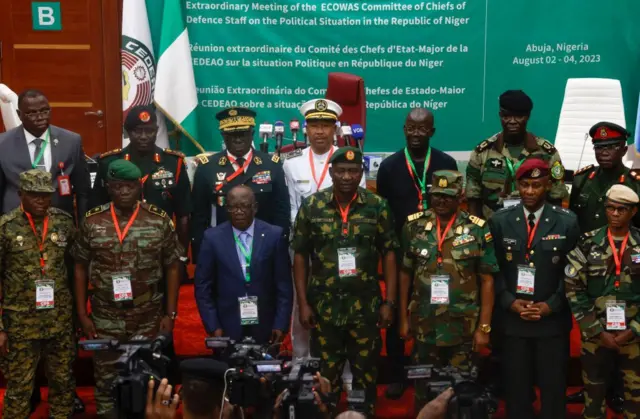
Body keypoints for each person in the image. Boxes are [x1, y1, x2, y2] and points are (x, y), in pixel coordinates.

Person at [0, 88, 89, 413]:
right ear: (20, 114)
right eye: (32, 113)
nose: (39, 118)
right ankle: (28, 392)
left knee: (63, 287)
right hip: (18, 235)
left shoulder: (70, 140)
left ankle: (62, 395)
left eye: (44, 111)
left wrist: (82, 226)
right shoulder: (2, 143)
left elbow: (82, 189)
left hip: (58, 234)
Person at [71, 159, 183, 419]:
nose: (123, 192)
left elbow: (173, 267)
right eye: (117, 186)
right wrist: (82, 314)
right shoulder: (92, 221)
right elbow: (79, 267)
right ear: (108, 187)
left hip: (147, 314)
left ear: (139, 187)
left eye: (129, 187)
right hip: (105, 315)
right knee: (106, 383)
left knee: (148, 380)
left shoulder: (158, 220)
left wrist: (171, 313)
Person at [291, 146, 398, 416]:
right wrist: (302, 303)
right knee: (326, 378)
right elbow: (300, 255)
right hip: (324, 309)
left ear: (361, 173)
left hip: (365, 308)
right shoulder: (312, 206)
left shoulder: (377, 206)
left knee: (365, 375)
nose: (347, 176)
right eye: (341, 171)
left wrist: (389, 301)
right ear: (331, 172)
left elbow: (389, 254)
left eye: (353, 171)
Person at [283, 98, 366, 388]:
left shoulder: (350, 162)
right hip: (305, 250)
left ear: (336, 129)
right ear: (305, 129)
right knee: (301, 307)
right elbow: (292, 208)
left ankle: (345, 372)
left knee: (344, 308)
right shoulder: (291, 165)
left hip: (341, 249)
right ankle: (302, 366)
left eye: (326, 125)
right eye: (314, 125)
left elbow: (360, 206)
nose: (320, 131)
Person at [489, 158, 580, 419]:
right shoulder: (500, 221)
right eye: (525, 185)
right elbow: (492, 269)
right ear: (517, 185)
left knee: (553, 393)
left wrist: (552, 304)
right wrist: (508, 301)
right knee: (517, 393)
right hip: (513, 322)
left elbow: (574, 272)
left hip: (551, 322)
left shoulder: (566, 222)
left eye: (537, 185)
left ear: (548, 185)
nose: (530, 192)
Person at [376, 107, 457, 399]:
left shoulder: (446, 163)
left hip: (438, 249)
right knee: (397, 307)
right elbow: (384, 211)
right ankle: (398, 372)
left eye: (422, 129)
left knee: (435, 306)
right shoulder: (390, 166)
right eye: (411, 128)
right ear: (404, 129)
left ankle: (439, 369)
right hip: (401, 252)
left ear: (432, 132)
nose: (416, 134)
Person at [398, 170, 496, 412]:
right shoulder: (414, 225)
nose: (441, 201)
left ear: (460, 196)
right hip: (424, 324)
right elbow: (404, 274)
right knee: (424, 390)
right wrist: (402, 318)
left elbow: (487, 281)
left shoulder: (478, 229)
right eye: (437, 195)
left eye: (448, 196)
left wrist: (484, 328)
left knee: (461, 393)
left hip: (462, 327)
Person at [566, 121, 635, 410]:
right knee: (592, 335)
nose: (604, 152)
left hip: (626, 270)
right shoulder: (582, 180)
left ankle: (618, 391)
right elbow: (574, 224)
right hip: (590, 269)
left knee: (623, 335)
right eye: (599, 147)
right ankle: (591, 388)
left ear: (622, 148)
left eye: (610, 147)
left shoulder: (634, 183)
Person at [0, 170, 76, 418]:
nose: (42, 201)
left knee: (63, 384)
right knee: (19, 389)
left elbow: (76, 268)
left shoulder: (64, 222)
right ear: (21, 194)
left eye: (46, 196)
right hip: (21, 324)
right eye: (35, 196)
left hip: (59, 320)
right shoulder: (6, 228)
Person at [91, 104, 192, 265]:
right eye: (137, 131)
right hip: (118, 247)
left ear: (157, 130)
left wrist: (181, 256)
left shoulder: (173, 163)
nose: (144, 136)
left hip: (161, 248)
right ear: (128, 132)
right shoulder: (109, 162)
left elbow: (183, 215)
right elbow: (96, 210)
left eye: (149, 130)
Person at [194, 185, 293, 344]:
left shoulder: (273, 235)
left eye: (244, 206)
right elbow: (203, 286)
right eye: (232, 207)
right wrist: (213, 325)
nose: (238, 211)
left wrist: (281, 323)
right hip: (227, 324)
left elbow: (284, 284)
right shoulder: (212, 238)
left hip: (266, 323)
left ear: (255, 208)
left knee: (265, 368)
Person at [191, 107, 289, 263]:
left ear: (252, 134)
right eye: (231, 135)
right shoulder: (207, 167)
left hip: (264, 247)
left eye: (242, 134)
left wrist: (280, 247)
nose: (237, 140)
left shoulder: (271, 165)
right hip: (223, 249)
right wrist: (201, 254)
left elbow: (282, 212)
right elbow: (199, 216)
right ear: (223, 135)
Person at [466, 90, 568, 220]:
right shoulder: (482, 152)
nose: (512, 121)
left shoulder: (547, 153)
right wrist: (478, 231)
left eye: (519, 116)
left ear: (528, 116)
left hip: (534, 227)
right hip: (492, 226)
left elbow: (556, 196)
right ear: (500, 115)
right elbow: (473, 198)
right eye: (506, 116)